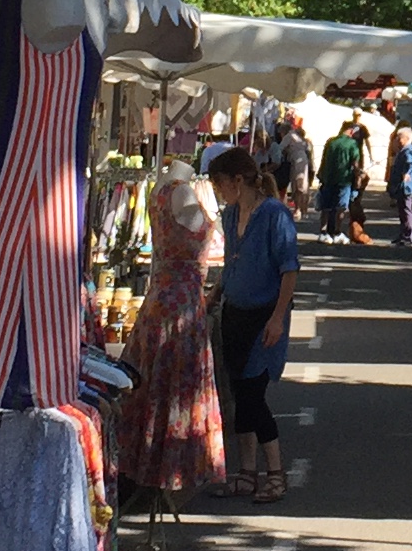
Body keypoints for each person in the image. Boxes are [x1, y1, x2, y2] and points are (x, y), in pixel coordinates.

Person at [118, 157, 225, 501]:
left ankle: (151, 468)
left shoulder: (162, 191)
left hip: (162, 299)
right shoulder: (181, 193)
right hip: (180, 306)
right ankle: (165, 469)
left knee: (157, 387)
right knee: (174, 388)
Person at [209, 146, 299, 504]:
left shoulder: (275, 215)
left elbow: (289, 269)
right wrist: (216, 293)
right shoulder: (232, 215)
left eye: (220, 184)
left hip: (264, 315)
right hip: (234, 312)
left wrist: (277, 317)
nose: (218, 191)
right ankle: (247, 473)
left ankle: (275, 473)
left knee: (253, 394)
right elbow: (232, 261)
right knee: (237, 393)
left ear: (238, 180)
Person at [318, 116, 366, 243]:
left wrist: (321, 175)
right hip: (344, 179)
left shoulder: (331, 142)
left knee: (326, 207)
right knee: (341, 207)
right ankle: (337, 232)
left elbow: (323, 160)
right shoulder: (352, 144)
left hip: (328, 178)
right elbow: (355, 164)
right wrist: (358, 178)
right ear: (352, 131)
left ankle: (323, 232)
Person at [271, 118, 315, 225]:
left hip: (296, 161)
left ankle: (298, 209)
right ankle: (301, 208)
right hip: (303, 161)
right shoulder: (300, 138)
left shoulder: (289, 136)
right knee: (302, 185)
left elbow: (279, 149)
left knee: (298, 185)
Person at [386, 120, 412, 249]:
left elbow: (409, 163)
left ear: (406, 138)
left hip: (405, 186)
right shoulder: (403, 150)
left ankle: (408, 236)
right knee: (402, 211)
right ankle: (403, 234)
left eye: (399, 138)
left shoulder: (408, 150)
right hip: (401, 186)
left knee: (406, 211)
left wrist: (406, 174)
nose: (397, 140)